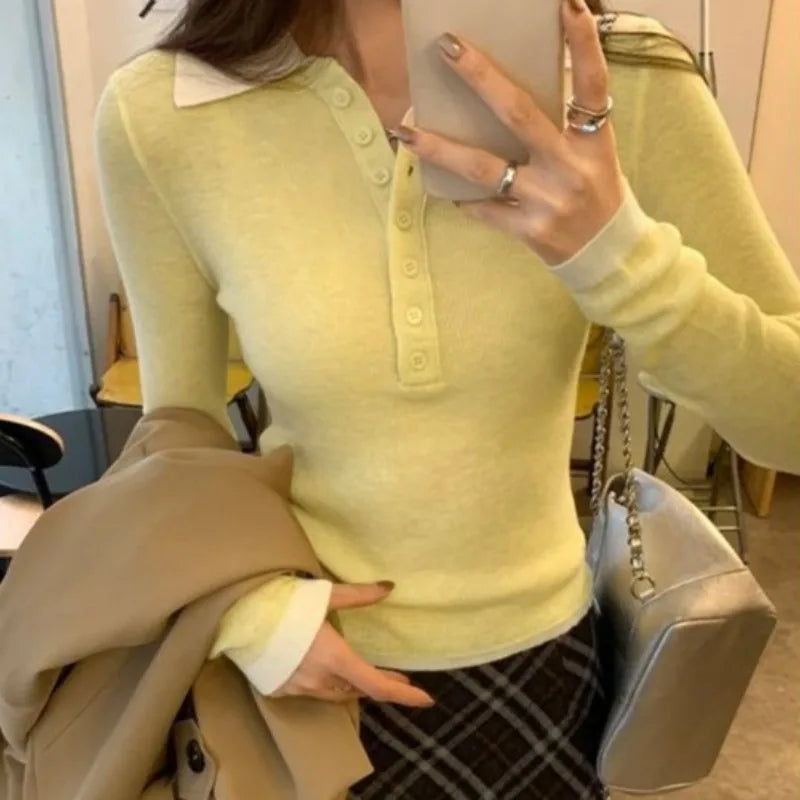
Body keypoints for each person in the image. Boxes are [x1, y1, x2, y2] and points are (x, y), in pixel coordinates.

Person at [94, 0, 800, 796]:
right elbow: (177, 437)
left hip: (543, 673)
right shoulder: (165, 109)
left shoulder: (618, 80)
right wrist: (251, 615)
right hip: (297, 680)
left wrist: (618, 258)